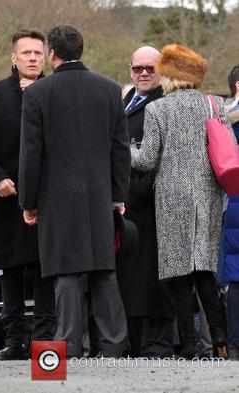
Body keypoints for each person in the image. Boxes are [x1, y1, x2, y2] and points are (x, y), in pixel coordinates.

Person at [19, 25, 131, 358]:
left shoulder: (38, 94)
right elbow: (120, 149)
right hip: (99, 196)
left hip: (56, 200)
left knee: (65, 272)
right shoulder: (110, 90)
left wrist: (29, 201)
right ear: (80, 50)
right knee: (103, 269)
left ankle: (67, 345)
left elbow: (31, 156)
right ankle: (114, 345)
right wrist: (118, 195)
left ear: (51, 54)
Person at [130, 43, 232, 359]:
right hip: (208, 199)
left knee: (178, 276)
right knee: (204, 273)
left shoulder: (157, 109)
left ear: (169, 75)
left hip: (172, 200)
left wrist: (125, 148)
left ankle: (187, 345)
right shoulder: (215, 104)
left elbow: (146, 160)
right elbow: (229, 149)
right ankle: (220, 343)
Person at [0, 29, 55, 361]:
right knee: (12, 272)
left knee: (48, 270)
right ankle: (14, 341)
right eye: (26, 53)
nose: (33, 58)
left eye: (38, 53)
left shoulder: (54, 91)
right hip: (7, 198)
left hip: (48, 198)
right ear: (13, 57)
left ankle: (45, 341)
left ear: (46, 56)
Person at [116, 46, 174, 358]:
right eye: (138, 69)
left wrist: (143, 188)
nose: (143, 74)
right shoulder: (126, 100)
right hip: (125, 204)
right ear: (130, 70)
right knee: (129, 277)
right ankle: (134, 343)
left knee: (154, 277)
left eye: (150, 69)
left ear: (161, 70)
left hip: (153, 204)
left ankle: (159, 345)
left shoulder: (164, 103)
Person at [219, 65, 239, 361]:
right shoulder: (227, 118)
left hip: (232, 200)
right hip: (235, 203)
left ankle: (235, 344)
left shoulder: (222, 117)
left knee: (236, 278)